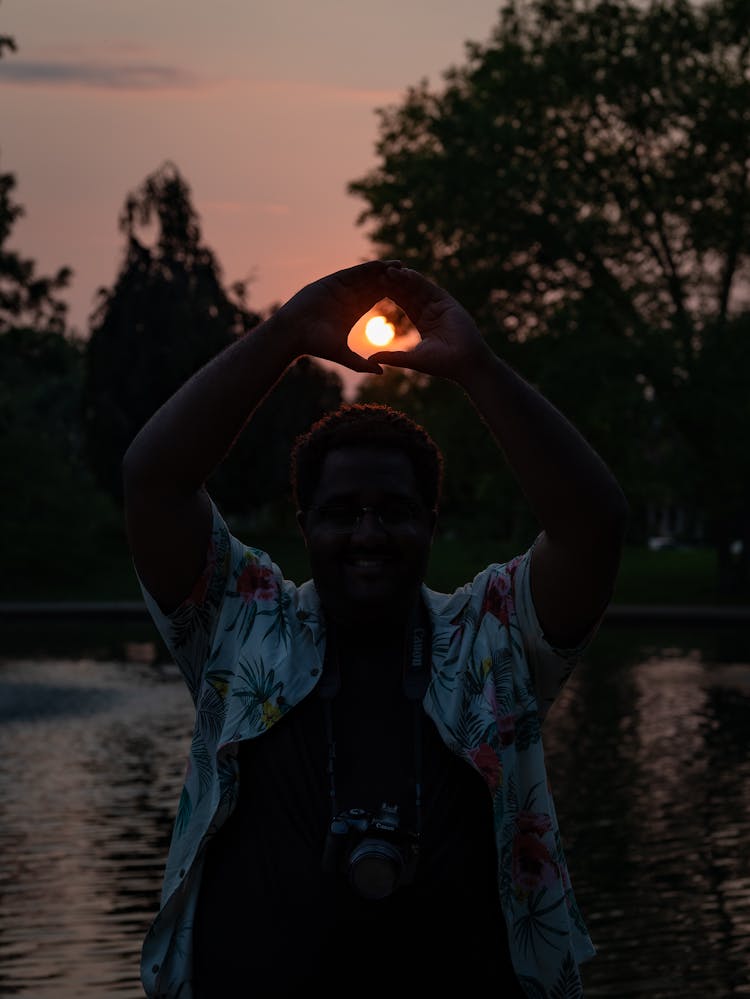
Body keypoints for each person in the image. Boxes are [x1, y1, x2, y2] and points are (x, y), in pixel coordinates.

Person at [122, 259, 628, 998]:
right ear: (305, 525)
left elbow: (593, 525)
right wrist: (288, 332)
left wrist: (477, 368)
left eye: (392, 510)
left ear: (430, 522)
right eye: (340, 512)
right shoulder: (243, 619)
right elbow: (152, 479)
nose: (367, 533)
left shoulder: (489, 637)